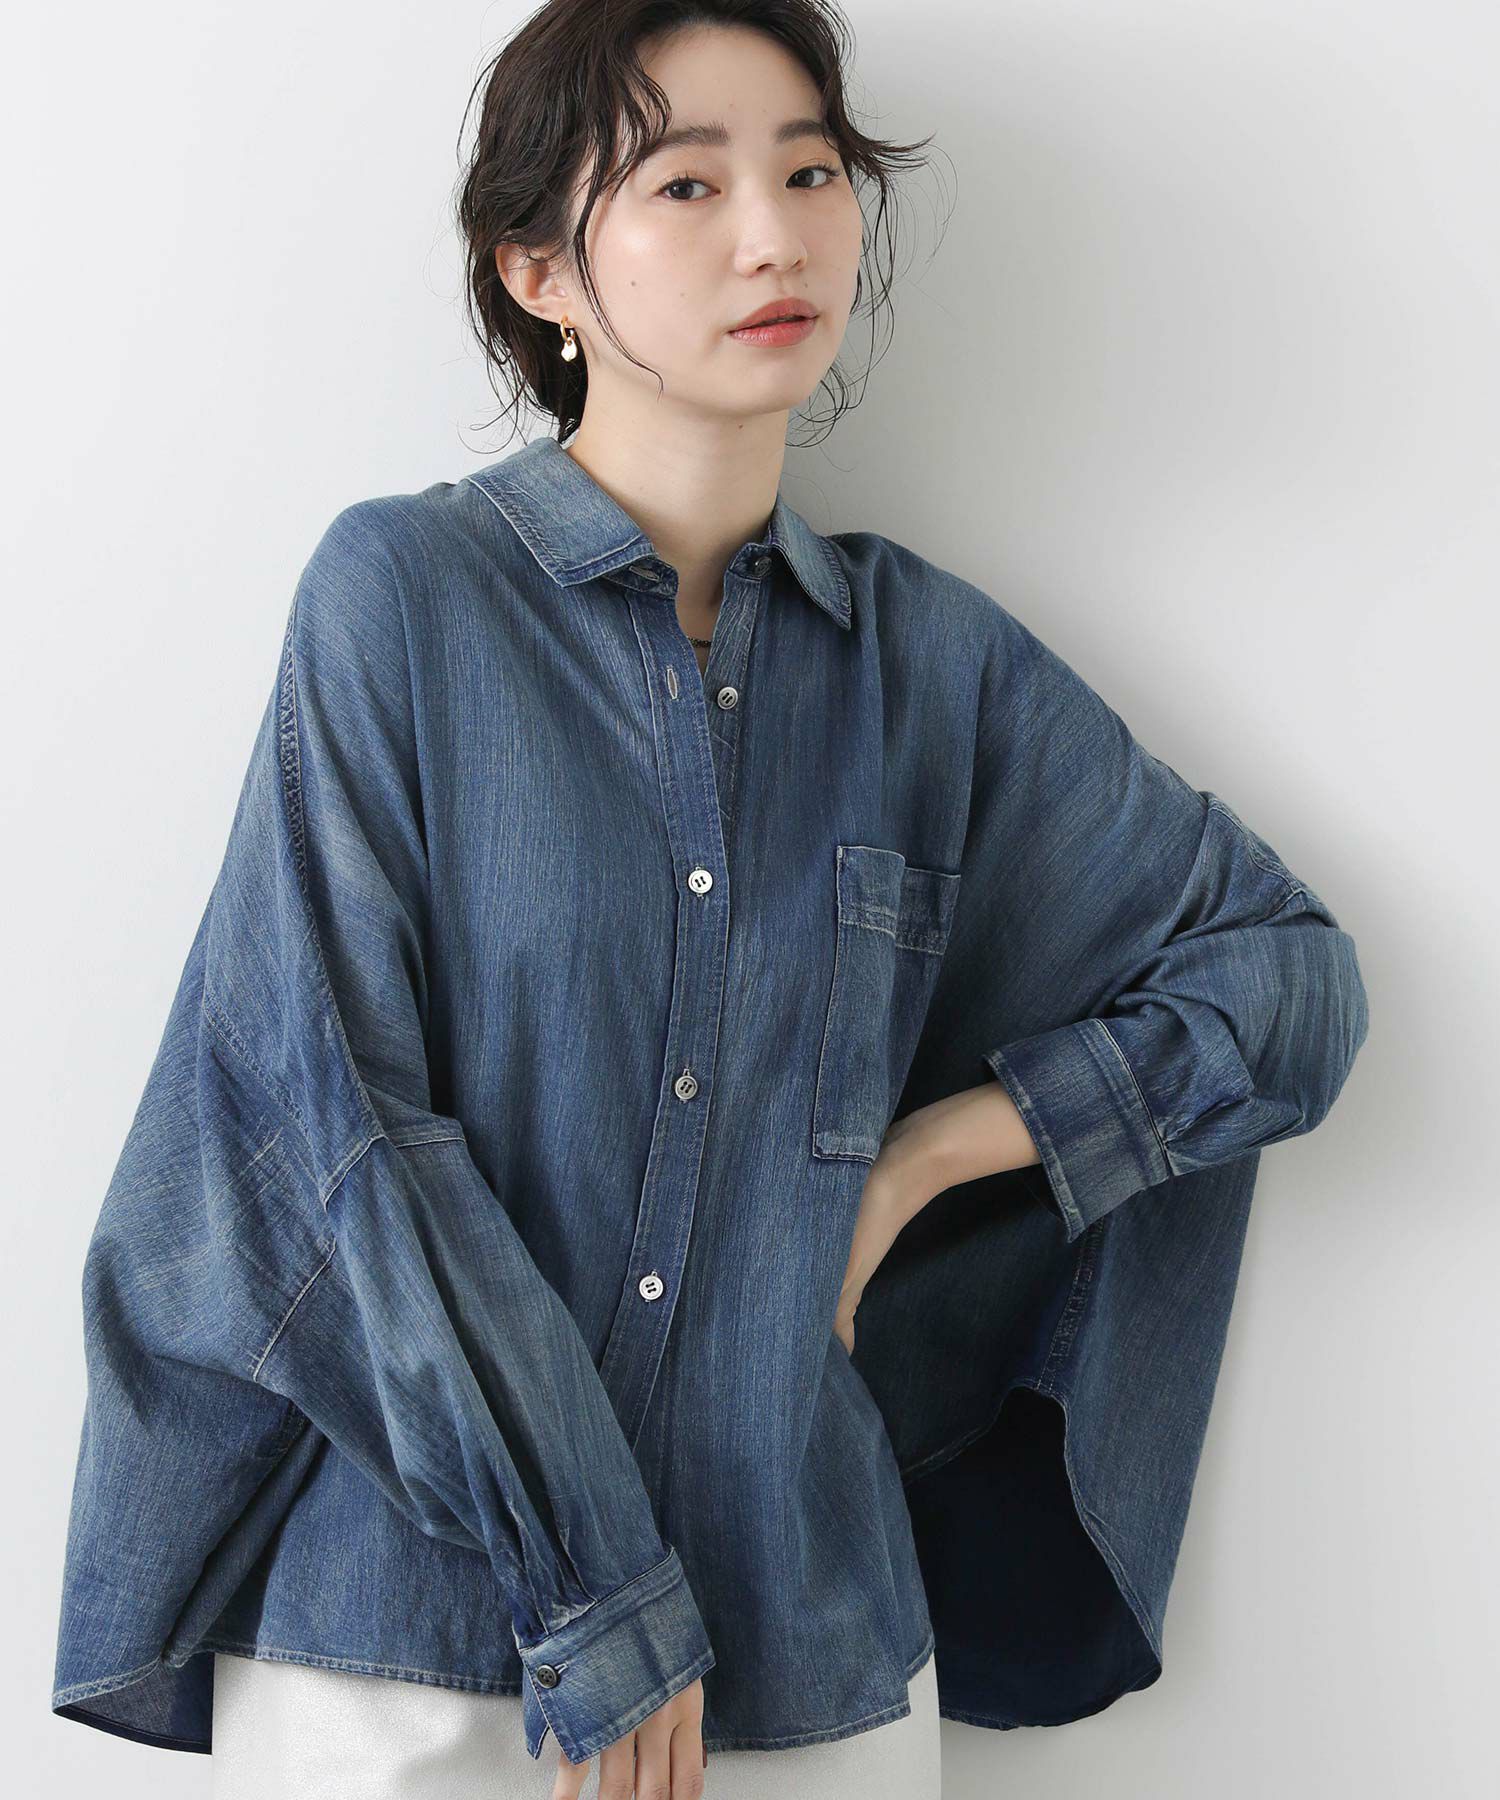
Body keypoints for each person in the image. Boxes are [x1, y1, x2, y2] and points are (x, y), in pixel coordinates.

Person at [50, 3, 1370, 1798]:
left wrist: (921, 1161)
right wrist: (595, 1590)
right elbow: (328, 1118)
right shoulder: (405, 601)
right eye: (686, 184)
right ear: (538, 271)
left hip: (806, 1663)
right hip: (416, 1669)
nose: (776, 234)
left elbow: (1288, 985)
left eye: (812, 173)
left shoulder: (930, 673)